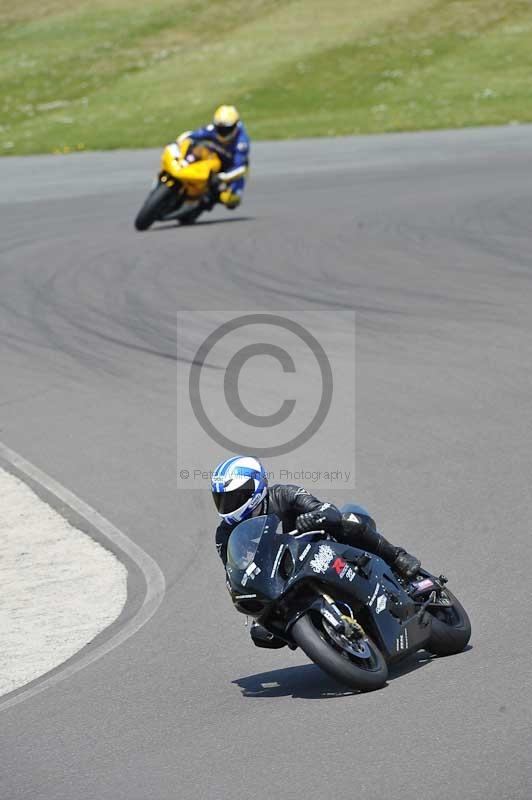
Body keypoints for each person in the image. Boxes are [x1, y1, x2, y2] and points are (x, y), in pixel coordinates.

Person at [211, 455, 422, 648]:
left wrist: (313, 517)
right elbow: (235, 571)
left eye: (235, 497)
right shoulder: (225, 534)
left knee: (347, 521)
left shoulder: (283, 494)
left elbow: (326, 509)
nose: (228, 505)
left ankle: (396, 557)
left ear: (255, 487)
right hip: (280, 576)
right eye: (222, 499)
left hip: (318, 549)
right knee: (264, 632)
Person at [177, 105, 249, 210]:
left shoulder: (242, 142)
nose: (222, 132)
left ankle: (210, 199)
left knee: (231, 199)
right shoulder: (212, 129)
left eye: (226, 129)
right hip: (212, 159)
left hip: (229, 168)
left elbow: (240, 167)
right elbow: (190, 136)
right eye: (219, 128)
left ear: (235, 126)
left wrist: (222, 177)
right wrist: (180, 143)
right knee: (196, 150)